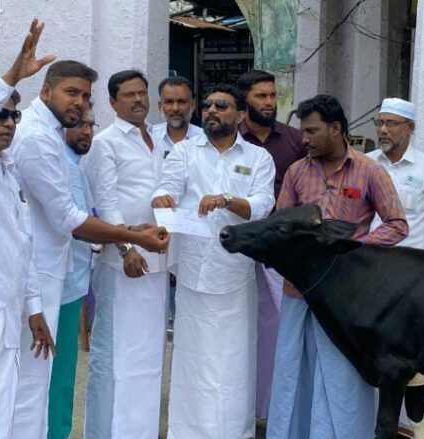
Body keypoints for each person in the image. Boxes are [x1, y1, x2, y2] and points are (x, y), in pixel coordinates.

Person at [0, 21, 167, 438]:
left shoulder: (5, 168)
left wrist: (33, 306)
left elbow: (23, 244)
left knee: (15, 411)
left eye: (12, 115)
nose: (8, 123)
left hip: (10, 312)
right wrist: (10, 77)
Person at [267, 94, 408, 439]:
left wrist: (354, 248)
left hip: (347, 297)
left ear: (336, 129)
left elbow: (397, 224)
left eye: (312, 131)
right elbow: (280, 223)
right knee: (293, 369)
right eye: (303, 131)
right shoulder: (298, 171)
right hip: (300, 291)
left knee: (342, 374)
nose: (305, 139)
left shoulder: (369, 170)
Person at [153, 84, 275, 438]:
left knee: (233, 362)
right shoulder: (185, 151)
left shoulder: (258, 158)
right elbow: (167, 186)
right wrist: (162, 199)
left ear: (240, 115)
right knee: (192, 360)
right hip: (193, 272)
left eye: (220, 105)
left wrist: (225, 200)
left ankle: (233, 432)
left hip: (235, 276)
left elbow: (262, 206)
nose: (211, 110)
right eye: (207, 105)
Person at [83, 70, 172, 439]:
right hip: (124, 263)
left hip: (158, 261)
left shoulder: (159, 138)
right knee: (114, 355)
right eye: (129, 95)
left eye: (142, 93)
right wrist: (126, 248)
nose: (138, 100)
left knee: (148, 355)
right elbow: (105, 201)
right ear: (112, 102)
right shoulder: (106, 143)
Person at [366, 97, 424, 437]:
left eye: (391, 123)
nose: (383, 130)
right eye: (380, 123)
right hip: (371, 276)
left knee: (412, 359)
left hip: (412, 280)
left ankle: (416, 428)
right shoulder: (367, 162)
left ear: (410, 128)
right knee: (375, 353)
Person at [236, 69, 308, 418]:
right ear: (244, 101)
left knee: (279, 326)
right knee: (240, 326)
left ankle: (275, 409)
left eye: (272, 95)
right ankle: (241, 406)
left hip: (280, 251)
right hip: (237, 247)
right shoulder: (231, 139)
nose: (269, 102)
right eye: (261, 96)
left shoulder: (294, 141)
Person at [46, 111, 98, 439]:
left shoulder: (76, 166)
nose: (87, 131)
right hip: (59, 286)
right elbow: (77, 225)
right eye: (79, 124)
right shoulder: (61, 166)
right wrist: (128, 238)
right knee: (58, 376)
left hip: (73, 281)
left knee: (61, 376)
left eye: (91, 125)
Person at [151, 76, 202, 153]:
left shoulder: (204, 139)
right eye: (169, 102)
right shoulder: (150, 137)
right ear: (160, 106)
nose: (175, 109)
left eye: (181, 101)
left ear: (193, 105)